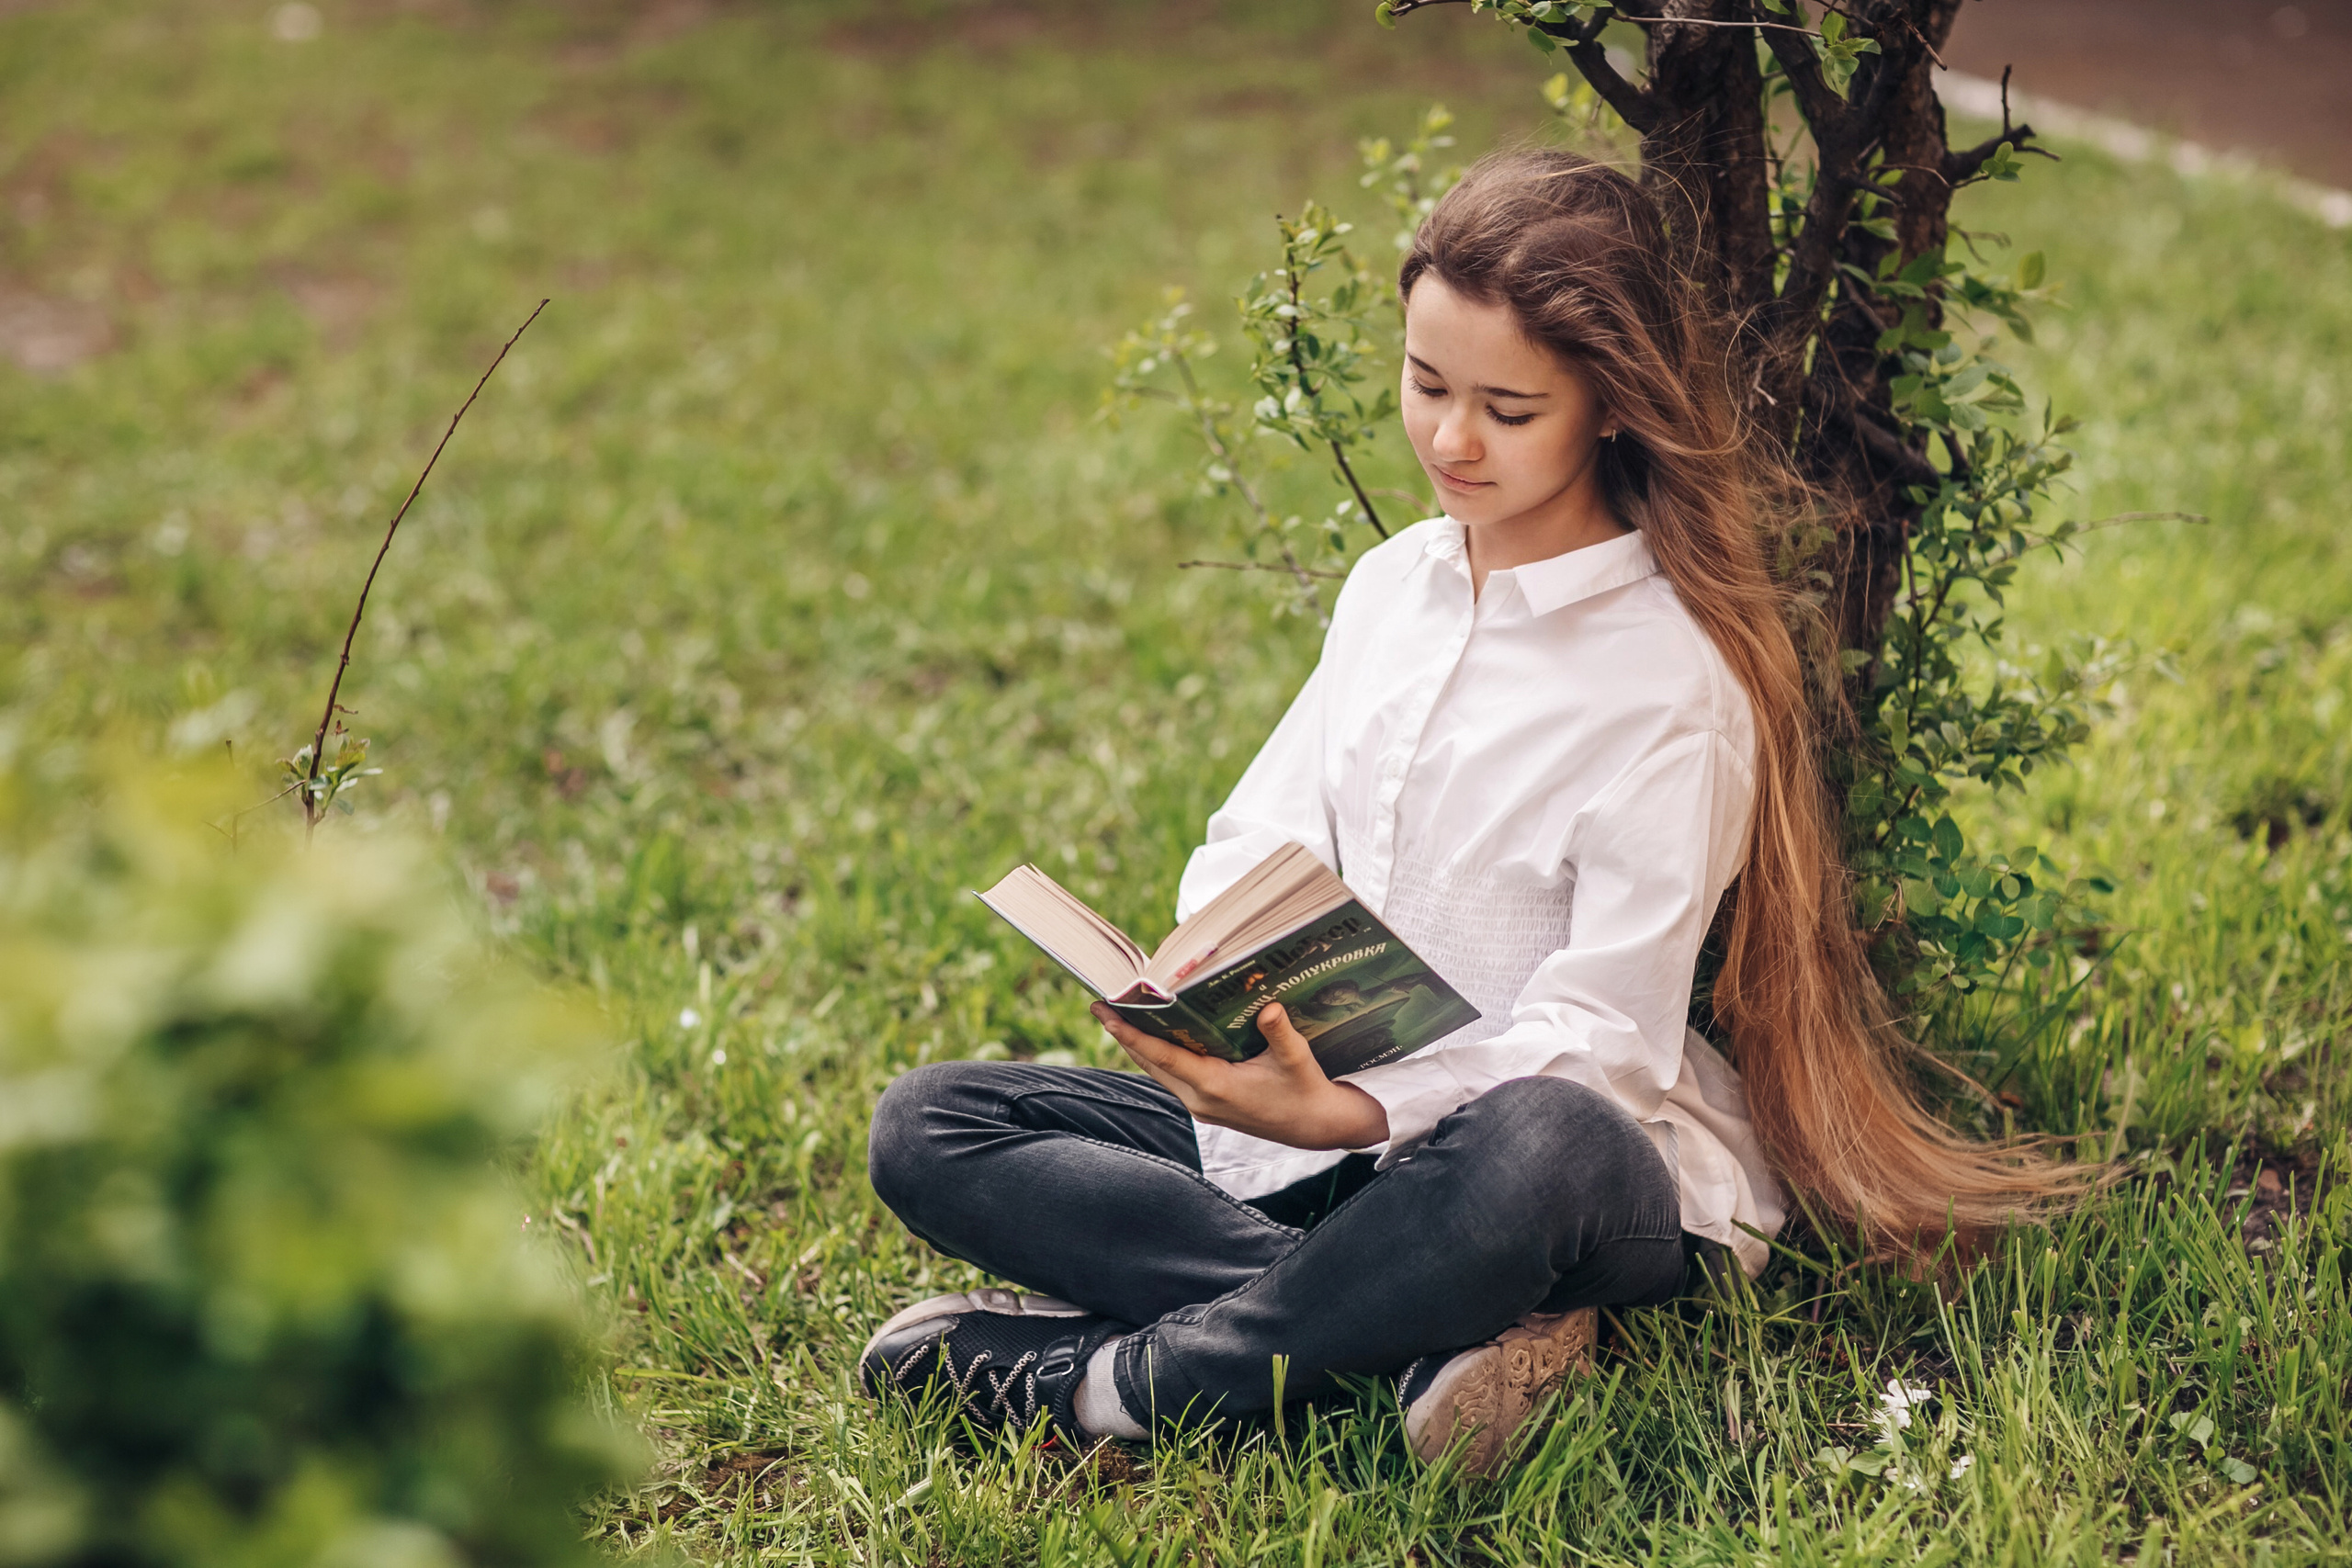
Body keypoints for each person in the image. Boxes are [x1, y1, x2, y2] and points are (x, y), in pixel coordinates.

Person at [854, 149, 2085, 1476]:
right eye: (1427, 384)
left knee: (1536, 1141)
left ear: (1610, 404)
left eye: (1507, 407)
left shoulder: (1676, 682)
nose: (1450, 439)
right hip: (1316, 1117)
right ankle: (1410, 1340)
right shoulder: (1396, 585)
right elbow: (1260, 835)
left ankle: (1129, 1383)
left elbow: (1605, 1042)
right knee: (930, 1124)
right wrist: (1208, 982)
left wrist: (1363, 1119)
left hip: (1544, 1169)